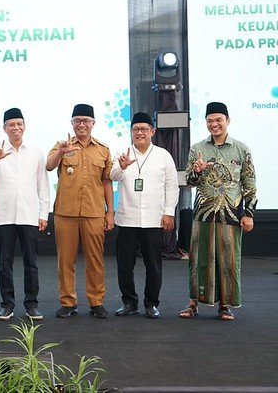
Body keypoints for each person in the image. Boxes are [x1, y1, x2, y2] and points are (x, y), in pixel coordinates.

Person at [179, 102, 256, 321]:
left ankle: (225, 305)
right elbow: (189, 181)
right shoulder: (198, 148)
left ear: (227, 121)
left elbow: (249, 183)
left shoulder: (241, 149)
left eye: (218, 120)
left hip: (231, 214)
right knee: (198, 259)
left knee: (228, 260)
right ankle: (193, 303)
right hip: (202, 215)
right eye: (210, 120)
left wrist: (249, 213)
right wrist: (196, 171)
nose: (214, 124)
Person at [46, 104, 114, 319]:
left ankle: (96, 301)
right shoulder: (62, 145)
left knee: (95, 260)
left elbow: (107, 181)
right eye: (77, 121)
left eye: (86, 120)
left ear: (93, 123)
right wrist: (61, 152)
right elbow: (49, 166)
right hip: (65, 212)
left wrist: (110, 212)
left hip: (94, 212)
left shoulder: (103, 149)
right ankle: (68, 302)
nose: (81, 124)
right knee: (65, 260)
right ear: (72, 123)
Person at [0, 108, 49, 321]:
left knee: (31, 262)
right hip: (5, 216)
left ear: (24, 126)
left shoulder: (35, 152)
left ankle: (32, 304)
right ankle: (7, 305)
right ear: (4, 128)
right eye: (11, 124)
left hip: (29, 215)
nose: (16, 128)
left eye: (19, 124)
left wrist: (44, 213)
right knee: (5, 263)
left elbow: (43, 184)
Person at [110, 112, 179, 319]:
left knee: (153, 265)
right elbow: (113, 176)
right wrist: (122, 167)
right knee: (125, 265)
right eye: (136, 129)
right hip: (127, 218)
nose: (139, 133)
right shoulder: (122, 152)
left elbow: (172, 186)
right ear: (131, 132)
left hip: (153, 219)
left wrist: (169, 213)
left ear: (152, 132)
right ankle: (129, 302)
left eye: (144, 129)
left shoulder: (163, 155)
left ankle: (151, 303)